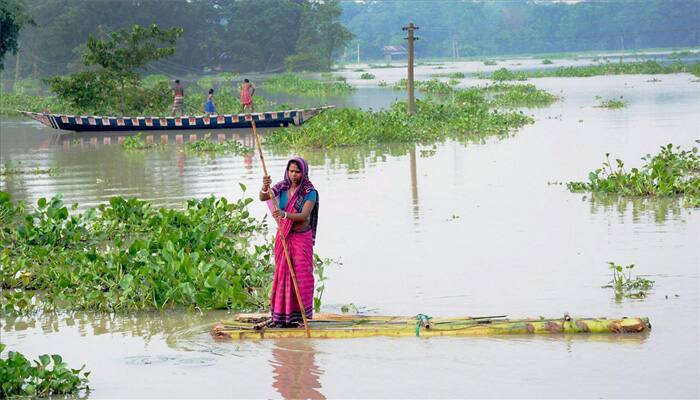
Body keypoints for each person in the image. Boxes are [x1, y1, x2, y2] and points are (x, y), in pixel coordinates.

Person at [260, 157, 319, 327]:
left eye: (297, 171)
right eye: (291, 171)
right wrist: (265, 187)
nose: (293, 175)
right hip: (284, 238)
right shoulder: (281, 187)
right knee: (283, 275)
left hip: (301, 238)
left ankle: (302, 317)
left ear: (304, 172)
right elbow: (263, 197)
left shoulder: (309, 192)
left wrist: (284, 215)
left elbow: (303, 216)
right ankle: (283, 317)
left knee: (302, 277)